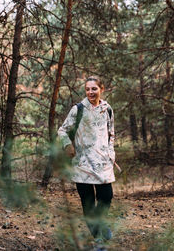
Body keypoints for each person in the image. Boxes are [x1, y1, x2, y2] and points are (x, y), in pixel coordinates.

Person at [58, 76, 115, 247]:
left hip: (103, 163)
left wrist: (111, 153)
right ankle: (98, 239)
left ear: (101, 89)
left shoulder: (107, 109)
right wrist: (67, 145)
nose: (91, 92)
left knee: (107, 196)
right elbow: (62, 130)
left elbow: (111, 133)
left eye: (94, 89)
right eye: (88, 89)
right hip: (82, 164)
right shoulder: (78, 109)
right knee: (88, 203)